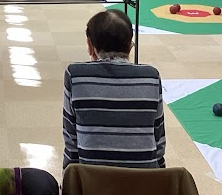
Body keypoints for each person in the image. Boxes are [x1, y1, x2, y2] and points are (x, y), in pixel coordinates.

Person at [63, 9, 165, 170]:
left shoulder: (76, 75)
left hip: (92, 180)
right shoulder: (151, 76)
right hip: (144, 181)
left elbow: (71, 142)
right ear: (130, 47)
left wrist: (70, 179)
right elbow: (159, 140)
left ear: (90, 46)